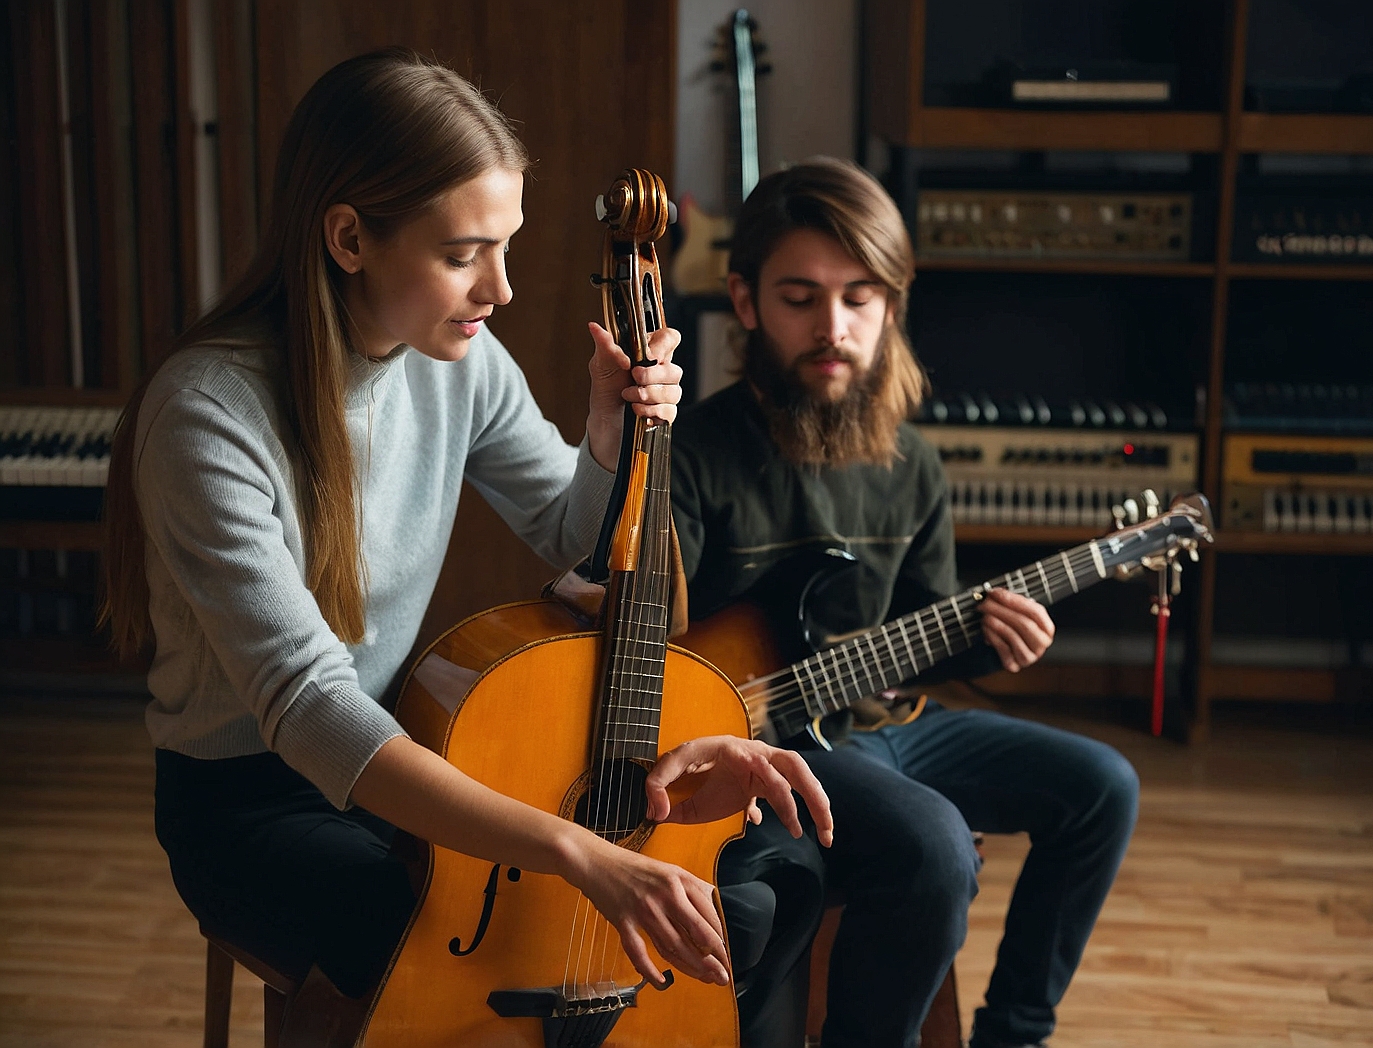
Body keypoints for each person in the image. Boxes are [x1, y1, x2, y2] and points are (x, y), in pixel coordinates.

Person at [100, 47, 832, 1042]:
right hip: (254, 802)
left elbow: (568, 534)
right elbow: (310, 708)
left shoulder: (459, 359)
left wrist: (606, 441)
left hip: (408, 757)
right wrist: (575, 850)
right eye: (461, 254)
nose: (499, 289)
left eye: (506, 246)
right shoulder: (206, 414)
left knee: (749, 886)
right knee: (484, 925)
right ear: (350, 237)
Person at [670, 157, 1141, 1048]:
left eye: (859, 299)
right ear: (744, 301)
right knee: (932, 843)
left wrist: (989, 640)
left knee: (1102, 787)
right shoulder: (696, 453)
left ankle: (1014, 1034)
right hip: (766, 741)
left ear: (891, 305)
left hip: (881, 724)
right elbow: (656, 634)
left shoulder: (910, 464)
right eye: (800, 297)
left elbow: (922, 629)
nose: (832, 327)